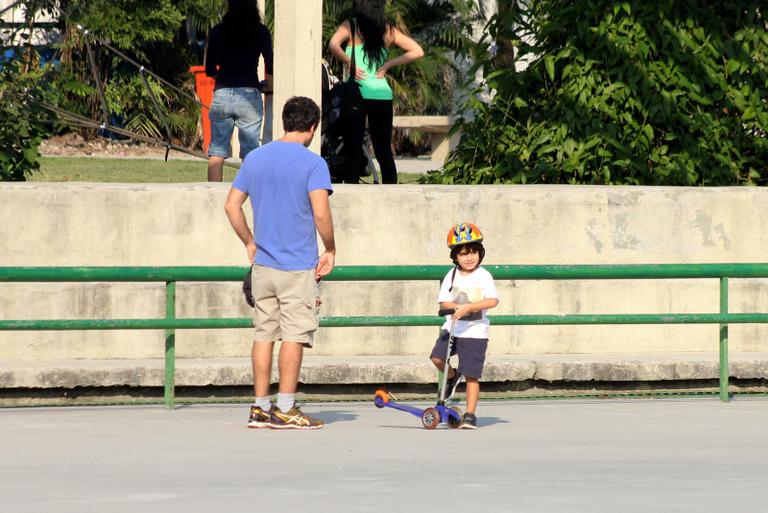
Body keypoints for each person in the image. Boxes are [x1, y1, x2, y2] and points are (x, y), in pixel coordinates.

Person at [224, 96, 335, 430]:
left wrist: (249, 241)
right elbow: (320, 211)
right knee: (294, 336)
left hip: (263, 267)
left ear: (285, 122)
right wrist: (330, 248)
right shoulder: (313, 164)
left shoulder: (256, 158)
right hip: (297, 266)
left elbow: (232, 206)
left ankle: (259, 407)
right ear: (313, 127)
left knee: (263, 334)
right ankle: (286, 407)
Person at [327, 0, 424, 184]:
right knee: (383, 150)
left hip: (357, 93)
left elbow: (333, 44)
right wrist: (389, 64)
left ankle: (353, 189)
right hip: (382, 95)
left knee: (352, 146)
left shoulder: (351, 26)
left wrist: (350, 62)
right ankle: (390, 190)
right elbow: (417, 51)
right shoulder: (388, 30)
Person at [430, 222, 499, 429]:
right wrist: (455, 308)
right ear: (455, 257)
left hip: (475, 332)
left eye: (473, 253)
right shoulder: (451, 275)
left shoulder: (483, 275)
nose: (469, 258)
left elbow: (492, 301)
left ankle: (470, 414)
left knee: (472, 374)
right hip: (452, 328)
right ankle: (452, 376)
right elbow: (444, 302)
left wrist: (469, 308)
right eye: (463, 254)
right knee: (436, 358)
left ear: (480, 253)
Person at [205, 0, 273, 182]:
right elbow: (270, 61)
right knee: (250, 152)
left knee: (217, 152)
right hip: (250, 94)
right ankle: (250, 197)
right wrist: (269, 85)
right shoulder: (260, 32)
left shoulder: (217, 31)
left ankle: (213, 197)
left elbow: (209, 69)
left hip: (222, 93)